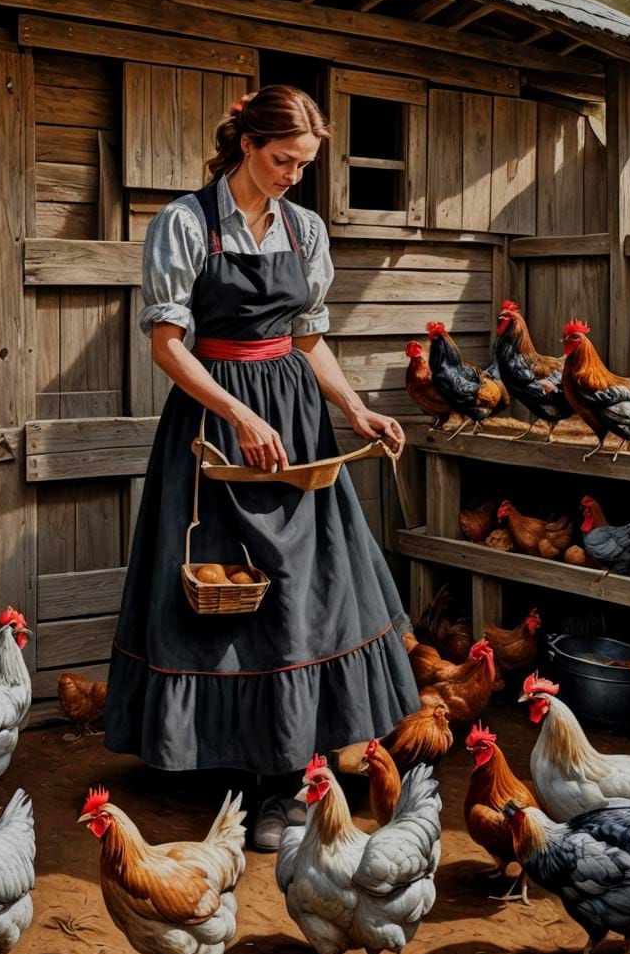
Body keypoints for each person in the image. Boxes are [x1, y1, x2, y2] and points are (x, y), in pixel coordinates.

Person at [105, 85, 420, 849]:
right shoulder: (186, 224)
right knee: (228, 591)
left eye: (303, 165)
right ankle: (230, 763)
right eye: (283, 160)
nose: (292, 176)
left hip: (297, 426)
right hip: (216, 423)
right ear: (246, 145)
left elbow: (308, 339)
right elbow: (167, 346)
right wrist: (240, 415)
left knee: (302, 592)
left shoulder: (304, 229)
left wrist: (355, 409)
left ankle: (287, 780)